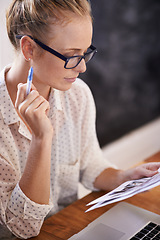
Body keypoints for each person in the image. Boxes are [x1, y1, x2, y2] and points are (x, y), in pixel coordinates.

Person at [0, 0, 160, 239]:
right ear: (29, 49)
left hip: (68, 229)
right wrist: (41, 139)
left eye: (85, 52)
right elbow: (21, 228)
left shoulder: (77, 95)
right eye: (71, 56)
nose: (83, 67)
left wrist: (123, 177)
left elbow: (89, 164)